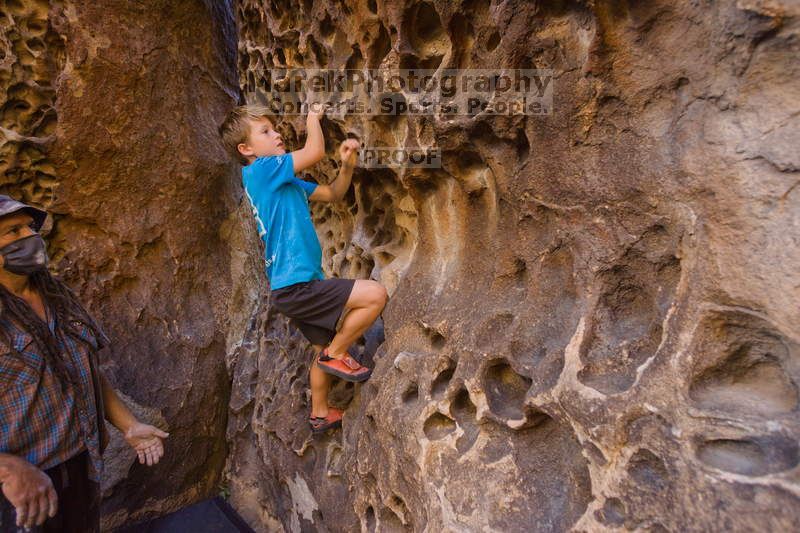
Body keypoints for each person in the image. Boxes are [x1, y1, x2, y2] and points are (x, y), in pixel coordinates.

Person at [0, 196, 168, 532]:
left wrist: (129, 425)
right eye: (12, 231)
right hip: (18, 491)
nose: (29, 237)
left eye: (30, 227)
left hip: (81, 464)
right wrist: (8, 470)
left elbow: (83, 371)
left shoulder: (55, 294)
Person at [218, 104, 388, 433]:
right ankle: (338, 354)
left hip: (292, 288)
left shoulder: (283, 182)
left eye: (274, 128)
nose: (277, 133)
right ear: (246, 149)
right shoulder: (261, 171)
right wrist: (313, 116)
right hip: (295, 287)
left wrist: (347, 166)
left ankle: (321, 413)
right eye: (266, 131)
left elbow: (333, 193)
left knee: (320, 351)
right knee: (375, 295)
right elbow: (314, 150)